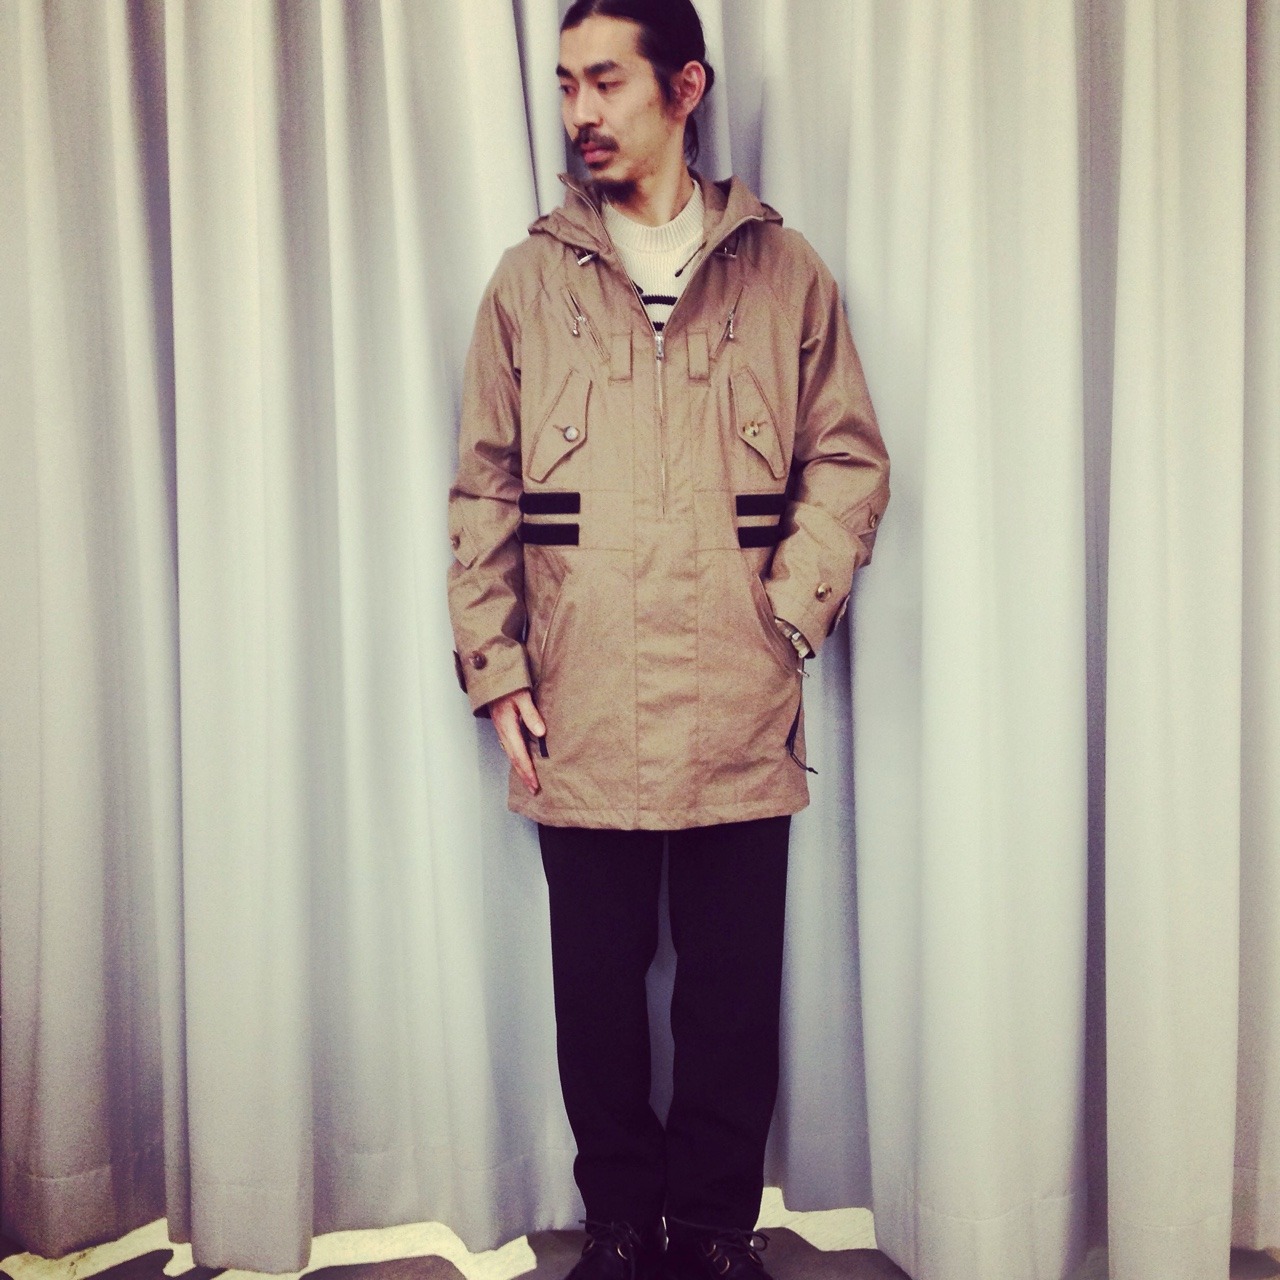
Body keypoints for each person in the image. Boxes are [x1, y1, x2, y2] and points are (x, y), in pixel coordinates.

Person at [447, 2, 889, 1276]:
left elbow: (847, 459)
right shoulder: (527, 283)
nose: (578, 112)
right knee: (593, 992)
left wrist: (785, 614)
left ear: (683, 87)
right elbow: (483, 487)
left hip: (734, 697)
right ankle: (618, 1227)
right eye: (564, 85)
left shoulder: (782, 271)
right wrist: (496, 669)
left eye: (605, 82)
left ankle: (710, 1228)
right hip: (577, 697)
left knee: (729, 995)